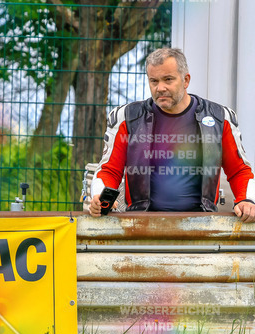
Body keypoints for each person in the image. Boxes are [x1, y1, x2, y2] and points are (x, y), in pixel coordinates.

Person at [86, 47, 255, 222]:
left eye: (168, 79)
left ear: (186, 80)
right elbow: (109, 170)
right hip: (139, 225)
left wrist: (247, 200)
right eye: (154, 81)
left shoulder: (220, 117)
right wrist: (99, 195)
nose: (160, 88)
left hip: (204, 226)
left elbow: (239, 171)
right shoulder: (126, 118)